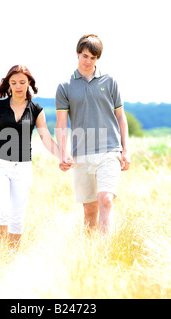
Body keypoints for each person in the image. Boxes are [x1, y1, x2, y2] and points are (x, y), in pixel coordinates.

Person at [0, 65, 72, 250]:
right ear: (8, 84)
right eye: (13, 83)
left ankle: (12, 258)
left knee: (17, 217)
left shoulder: (36, 110)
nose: (18, 86)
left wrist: (63, 157)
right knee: (2, 211)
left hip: (23, 168)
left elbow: (46, 138)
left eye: (22, 82)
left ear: (29, 83)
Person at [55, 34, 130, 235]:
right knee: (89, 210)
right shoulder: (65, 87)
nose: (88, 61)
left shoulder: (110, 81)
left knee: (106, 199)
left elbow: (121, 118)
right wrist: (63, 154)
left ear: (98, 59)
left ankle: (105, 251)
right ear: (78, 53)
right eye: (85, 56)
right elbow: (61, 124)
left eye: (93, 58)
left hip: (110, 149)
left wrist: (126, 151)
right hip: (82, 153)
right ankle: (90, 254)